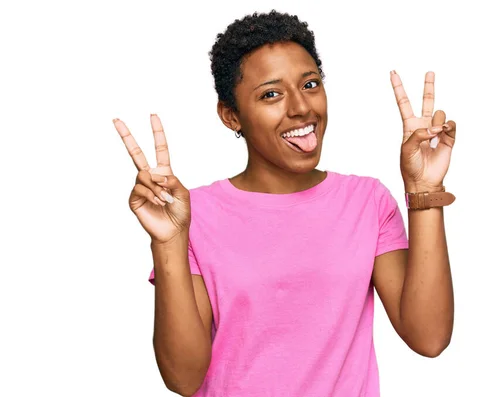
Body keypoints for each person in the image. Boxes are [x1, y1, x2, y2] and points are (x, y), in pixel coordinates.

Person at [113, 10, 456, 397]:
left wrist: (424, 191)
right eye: (271, 94)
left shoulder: (367, 202)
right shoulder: (194, 215)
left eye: (310, 84)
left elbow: (429, 338)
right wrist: (167, 243)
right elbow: (183, 377)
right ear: (231, 116)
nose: (301, 108)